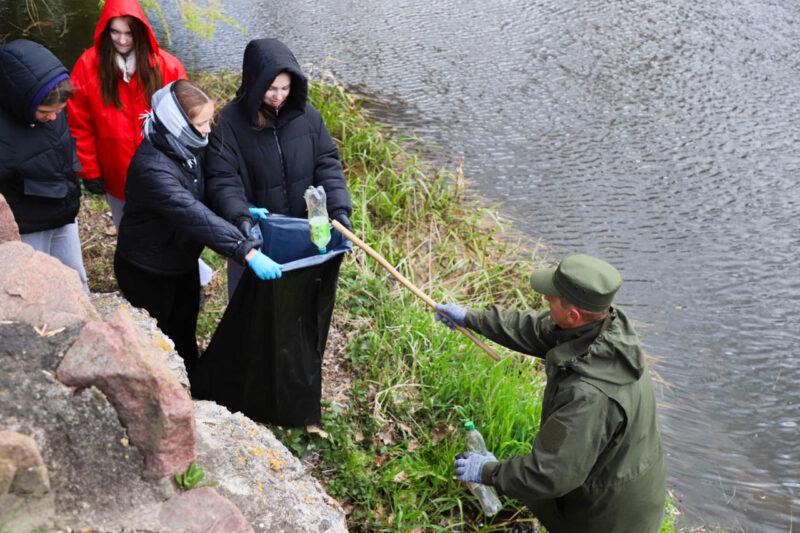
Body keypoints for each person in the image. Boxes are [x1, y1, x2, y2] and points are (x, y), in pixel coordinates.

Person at [436, 254, 666, 533]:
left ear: (573, 315)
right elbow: (538, 328)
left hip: (608, 518)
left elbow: (551, 473)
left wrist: (488, 471)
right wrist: (473, 318)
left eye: (552, 298)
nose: (545, 299)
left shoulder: (588, 396)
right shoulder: (607, 330)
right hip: (619, 482)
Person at [114, 79, 280, 373]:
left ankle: (192, 385)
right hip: (147, 268)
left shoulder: (188, 145)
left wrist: (239, 210)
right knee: (158, 340)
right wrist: (247, 252)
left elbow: (203, 192)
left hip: (180, 260)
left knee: (184, 326)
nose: (207, 130)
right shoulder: (152, 167)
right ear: (178, 123)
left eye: (208, 121)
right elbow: (190, 212)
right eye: (201, 123)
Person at [204, 37, 352, 297]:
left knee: (297, 304)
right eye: (271, 88)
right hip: (255, 235)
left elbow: (328, 164)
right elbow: (222, 180)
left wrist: (339, 210)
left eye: (285, 88)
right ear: (254, 82)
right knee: (250, 308)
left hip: (301, 233)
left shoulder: (309, 117)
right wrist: (241, 218)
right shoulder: (227, 123)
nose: (278, 96)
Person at [67, 0, 187, 227]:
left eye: (128, 33)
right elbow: (80, 124)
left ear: (141, 32)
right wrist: (90, 170)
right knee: (127, 232)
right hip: (116, 173)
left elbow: (183, 123)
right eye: (114, 32)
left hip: (162, 173)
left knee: (169, 235)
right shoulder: (87, 65)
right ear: (105, 30)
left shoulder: (168, 67)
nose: (121, 40)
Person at [0, 39, 89, 292]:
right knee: (36, 288)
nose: (53, 117)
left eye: (59, 111)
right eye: (44, 112)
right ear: (22, 101)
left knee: (76, 280)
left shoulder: (53, 108)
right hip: (27, 224)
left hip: (63, 213)